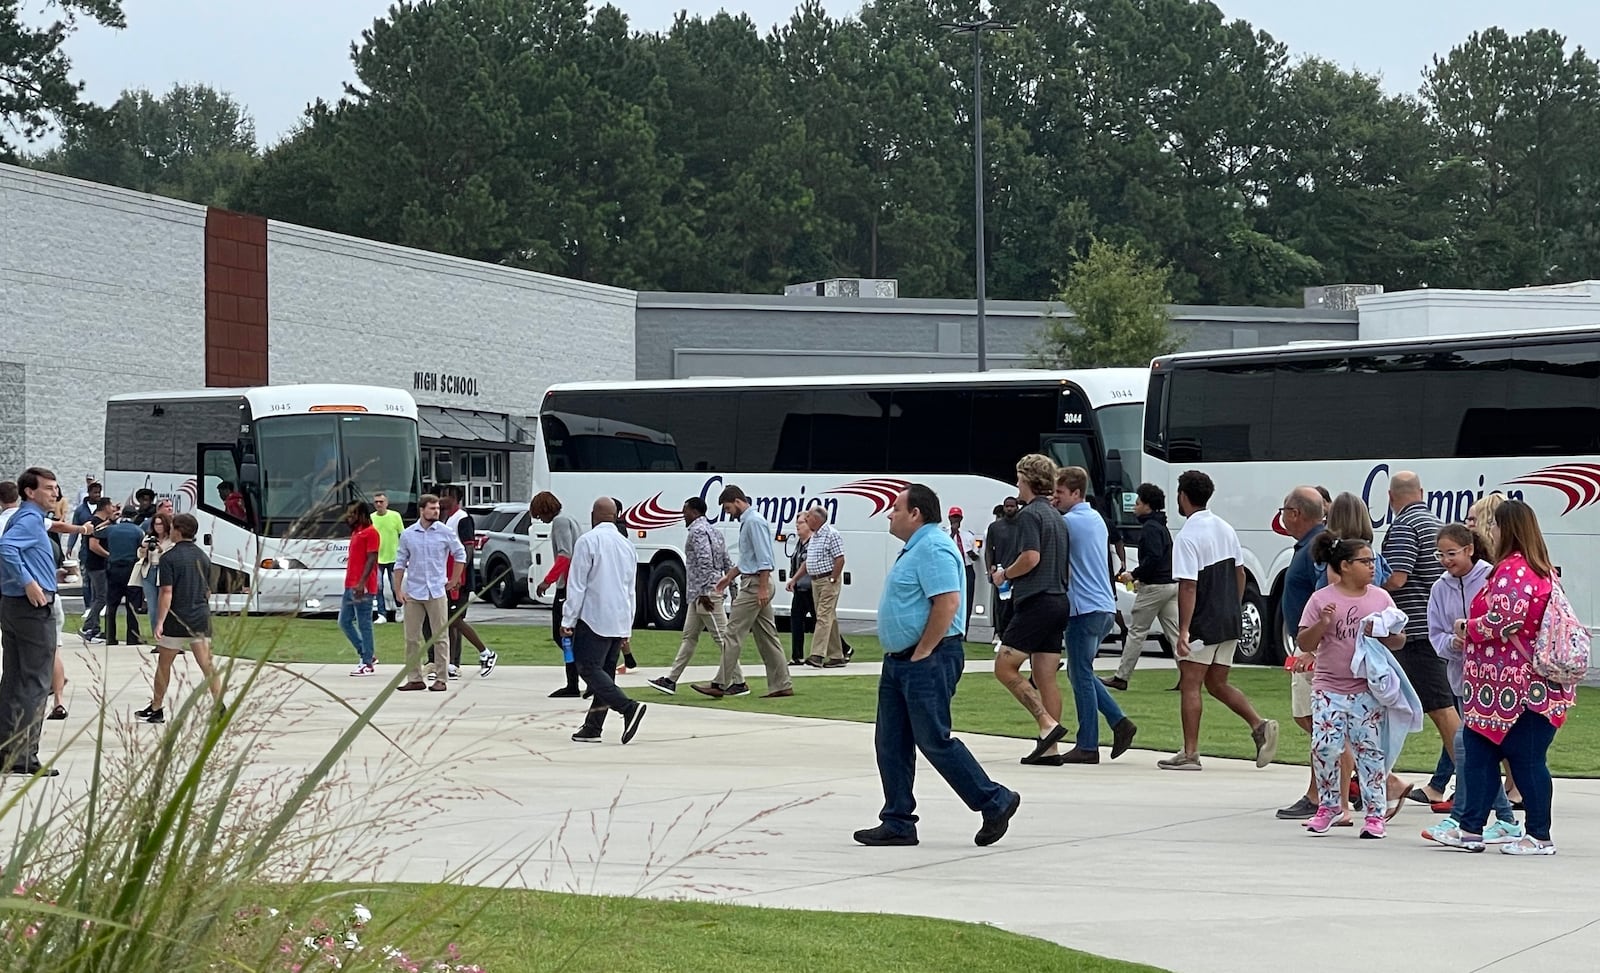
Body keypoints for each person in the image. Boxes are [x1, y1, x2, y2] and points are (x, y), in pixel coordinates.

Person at [853, 483, 1021, 848]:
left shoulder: (934, 547)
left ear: (916, 514)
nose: (889, 513)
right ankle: (897, 820)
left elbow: (947, 602)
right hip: (902, 661)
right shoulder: (915, 548)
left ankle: (995, 800)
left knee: (933, 738)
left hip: (927, 659)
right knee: (890, 741)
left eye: (896, 508)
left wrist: (924, 649)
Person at [1433, 501, 1571, 855]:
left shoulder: (1514, 570)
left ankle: (1539, 835)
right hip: (1497, 690)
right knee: (1478, 752)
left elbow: (1504, 621)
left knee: (1525, 759)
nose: (1486, 533)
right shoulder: (1535, 570)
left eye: (1491, 526)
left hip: (1517, 688)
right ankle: (1470, 829)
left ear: (1506, 529)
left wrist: (1468, 627)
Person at [1158, 470, 1279, 772]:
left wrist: (1184, 629)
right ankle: (1259, 725)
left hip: (1203, 621)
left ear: (1182, 496)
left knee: (1190, 683)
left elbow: (1188, 586)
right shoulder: (1226, 528)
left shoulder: (1187, 536)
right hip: (1229, 619)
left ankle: (1190, 752)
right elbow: (1239, 573)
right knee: (1217, 682)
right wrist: (1233, 608)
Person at [1293, 534, 1408, 838]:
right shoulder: (1321, 599)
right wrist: (1323, 624)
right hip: (1328, 687)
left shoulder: (1380, 598)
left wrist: (1382, 632)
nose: (1373, 567)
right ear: (1345, 566)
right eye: (1365, 561)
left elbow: (1399, 640)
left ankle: (1374, 814)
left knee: (1369, 751)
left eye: (1373, 561)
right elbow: (1304, 641)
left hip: (1366, 690)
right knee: (1324, 747)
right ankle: (1328, 807)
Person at [1422, 524, 1522, 845]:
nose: (1445, 560)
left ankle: (1463, 818)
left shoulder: (1493, 578)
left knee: (1470, 748)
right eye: (1441, 554)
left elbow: (1506, 624)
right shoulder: (1440, 588)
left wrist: (1477, 632)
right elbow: (1435, 634)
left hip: (1494, 680)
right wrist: (1454, 641)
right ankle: (1503, 819)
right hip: (1462, 680)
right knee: (1474, 750)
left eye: (1451, 553)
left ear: (1469, 550)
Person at [1379, 473, 1457, 809]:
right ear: (1421, 493)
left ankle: (1470, 780)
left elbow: (1397, 577)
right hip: (1433, 626)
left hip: (1414, 632)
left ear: (1390, 496)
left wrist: (1365, 588)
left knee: (1440, 708)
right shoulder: (1434, 523)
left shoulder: (1403, 527)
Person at [990, 454, 1072, 765]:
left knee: (1004, 667)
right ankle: (1049, 750)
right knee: (1045, 675)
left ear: (1027, 481)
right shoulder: (1057, 517)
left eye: (1019, 478)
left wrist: (1005, 574)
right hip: (1058, 599)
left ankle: (1047, 725)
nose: (1016, 484)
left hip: (1036, 600)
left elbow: (1031, 558)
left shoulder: (1029, 516)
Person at [1053, 467, 1137, 763]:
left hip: (1083, 608)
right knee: (1083, 674)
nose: (1055, 498)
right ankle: (1119, 722)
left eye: (1060, 493)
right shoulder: (1095, 519)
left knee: (1080, 676)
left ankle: (1088, 744)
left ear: (1076, 493)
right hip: (1103, 606)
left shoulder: (1069, 522)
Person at [693, 485, 795, 700]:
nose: (728, 513)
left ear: (738, 501)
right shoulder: (751, 521)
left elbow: (764, 559)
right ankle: (781, 684)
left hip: (755, 585)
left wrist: (763, 587)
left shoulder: (753, 522)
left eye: (728, 508)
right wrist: (729, 577)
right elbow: (749, 558)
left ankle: (720, 683)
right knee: (767, 636)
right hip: (757, 582)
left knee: (732, 633)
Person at [566, 497, 648, 745]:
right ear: (614, 516)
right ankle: (593, 727)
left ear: (594, 515)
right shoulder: (627, 545)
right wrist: (627, 625)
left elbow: (578, 584)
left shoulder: (588, 541)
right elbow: (630, 588)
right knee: (606, 673)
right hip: (619, 616)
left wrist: (569, 618)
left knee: (588, 667)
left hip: (594, 616)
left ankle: (627, 708)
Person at [0, 467, 64, 775]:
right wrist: (29, 582)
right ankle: (25, 757)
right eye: (49, 488)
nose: (55, 492)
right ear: (29, 491)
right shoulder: (28, 519)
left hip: (14, 607)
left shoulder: (25, 518)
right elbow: (7, 548)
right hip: (31, 609)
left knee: (13, 681)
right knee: (36, 683)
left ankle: (7, 753)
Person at [1274, 486, 1329, 820]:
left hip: (1313, 647)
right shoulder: (1310, 546)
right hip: (1307, 643)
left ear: (1295, 514)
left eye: (1285, 511)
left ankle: (1318, 792)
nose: (1282, 518)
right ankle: (1341, 779)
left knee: (1318, 719)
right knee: (1310, 718)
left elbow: (1325, 596)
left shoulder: (1316, 549)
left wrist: (1314, 647)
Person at [140, 513, 225, 723]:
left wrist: (159, 621)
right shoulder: (203, 556)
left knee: (164, 663)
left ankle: (157, 707)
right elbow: (207, 591)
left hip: (177, 618)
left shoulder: (169, 558)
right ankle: (220, 705)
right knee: (207, 665)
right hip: (199, 617)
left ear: (177, 530)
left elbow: (166, 592)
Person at [649, 497, 732, 695]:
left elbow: (705, 561)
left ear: (694, 512)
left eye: (685, 510)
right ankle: (671, 680)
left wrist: (704, 592)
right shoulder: (715, 531)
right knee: (689, 637)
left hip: (705, 594)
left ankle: (738, 681)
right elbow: (726, 560)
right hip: (701, 593)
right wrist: (730, 587)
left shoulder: (697, 531)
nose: (682, 514)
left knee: (723, 639)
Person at [1105, 483, 1178, 692]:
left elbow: (1153, 558)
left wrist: (1134, 574)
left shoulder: (1149, 529)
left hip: (1154, 587)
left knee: (1136, 632)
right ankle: (1189, 676)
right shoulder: (1161, 527)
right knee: (1174, 634)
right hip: (1170, 585)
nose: (1134, 507)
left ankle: (1122, 676)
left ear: (1147, 506)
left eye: (1137, 503)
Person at [393, 494, 465, 694]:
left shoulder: (445, 532)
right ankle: (415, 678)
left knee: (440, 636)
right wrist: (398, 589)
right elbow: (399, 563)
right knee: (411, 638)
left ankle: (441, 678)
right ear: (422, 510)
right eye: (432, 508)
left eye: (438, 509)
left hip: (436, 589)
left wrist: (454, 579)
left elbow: (460, 554)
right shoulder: (408, 534)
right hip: (414, 591)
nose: (436, 512)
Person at [438, 485, 497, 678]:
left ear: (455, 498)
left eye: (445, 496)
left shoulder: (463, 519)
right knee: (449, 622)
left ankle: (485, 652)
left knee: (455, 620)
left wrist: (458, 576)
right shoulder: (447, 518)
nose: (441, 499)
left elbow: (468, 549)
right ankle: (452, 664)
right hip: (448, 576)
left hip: (459, 579)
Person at [532, 491, 584, 697]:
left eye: (539, 514)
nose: (540, 520)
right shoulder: (570, 518)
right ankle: (578, 677)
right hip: (574, 584)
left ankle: (579, 677)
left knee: (562, 634)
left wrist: (547, 581)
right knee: (569, 636)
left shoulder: (560, 522)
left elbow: (565, 555)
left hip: (567, 586)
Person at [794, 507, 847, 668]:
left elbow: (840, 559)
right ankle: (837, 656)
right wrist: (795, 579)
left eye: (807, 517)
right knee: (828, 616)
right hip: (815, 581)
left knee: (823, 616)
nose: (805, 520)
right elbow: (807, 562)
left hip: (828, 580)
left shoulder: (832, 534)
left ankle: (817, 655)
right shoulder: (815, 536)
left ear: (816, 519)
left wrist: (833, 578)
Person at [342, 501, 380, 675]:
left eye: (352, 514)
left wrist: (362, 583)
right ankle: (366, 652)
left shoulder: (371, 533)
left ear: (361, 515)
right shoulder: (357, 532)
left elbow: (371, 559)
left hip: (362, 586)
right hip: (350, 584)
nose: (349, 517)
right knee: (344, 621)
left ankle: (367, 662)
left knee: (364, 623)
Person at [101, 505, 147, 646]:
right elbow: (142, 548)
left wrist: (109, 521)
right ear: (134, 516)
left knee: (112, 605)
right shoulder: (139, 531)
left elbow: (95, 533)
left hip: (113, 569)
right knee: (131, 605)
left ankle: (110, 637)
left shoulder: (112, 530)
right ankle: (132, 638)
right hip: (131, 570)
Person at [77, 498, 116, 644]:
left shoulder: (100, 522)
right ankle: (88, 626)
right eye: (111, 506)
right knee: (102, 597)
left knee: (97, 597)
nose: (112, 508)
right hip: (97, 565)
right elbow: (93, 545)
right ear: (105, 507)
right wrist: (109, 556)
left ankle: (95, 628)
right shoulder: (94, 523)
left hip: (96, 565)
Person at [610, 497, 640, 674]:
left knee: (616, 627)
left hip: (617, 582)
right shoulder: (622, 528)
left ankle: (622, 659)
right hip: (621, 581)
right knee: (620, 626)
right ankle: (628, 658)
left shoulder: (617, 530)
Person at [136, 511, 175, 642]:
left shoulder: (171, 539)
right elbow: (139, 556)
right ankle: (158, 639)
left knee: (164, 606)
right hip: (149, 571)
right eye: (156, 524)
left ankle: (168, 638)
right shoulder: (149, 538)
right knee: (152, 608)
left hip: (164, 572)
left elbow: (173, 556)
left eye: (161, 524)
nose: (158, 527)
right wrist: (143, 547)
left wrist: (160, 550)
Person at [984, 498, 1020, 642]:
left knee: (1016, 604)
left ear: (1017, 507)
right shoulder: (995, 527)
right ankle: (1001, 635)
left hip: (1018, 570)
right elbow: (988, 550)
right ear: (1003, 508)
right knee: (1001, 606)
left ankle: (1015, 636)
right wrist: (990, 568)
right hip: (1000, 571)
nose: (1009, 509)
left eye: (1012, 506)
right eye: (1007, 506)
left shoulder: (1022, 525)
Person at [370, 492, 405, 624]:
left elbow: (403, 535)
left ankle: (400, 609)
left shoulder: (395, 516)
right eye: (376, 502)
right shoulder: (371, 518)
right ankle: (381, 613)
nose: (379, 504)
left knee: (395, 586)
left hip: (393, 557)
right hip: (377, 558)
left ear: (386, 503)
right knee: (378, 586)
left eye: (381, 502)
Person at [786, 513, 815, 665]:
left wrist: (794, 579)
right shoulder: (800, 543)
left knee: (819, 621)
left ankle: (843, 648)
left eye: (801, 523)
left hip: (811, 587)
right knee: (796, 620)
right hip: (800, 588)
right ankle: (797, 655)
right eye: (796, 523)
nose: (797, 526)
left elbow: (807, 564)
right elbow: (795, 562)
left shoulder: (813, 542)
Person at [947, 507, 981, 635]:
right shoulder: (944, 534)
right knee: (950, 599)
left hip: (967, 569)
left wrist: (971, 553)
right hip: (951, 570)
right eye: (953, 517)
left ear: (961, 519)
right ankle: (949, 630)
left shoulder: (968, 536)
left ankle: (964, 631)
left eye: (957, 517)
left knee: (967, 599)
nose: (955, 519)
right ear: (949, 518)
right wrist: (952, 534)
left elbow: (976, 557)